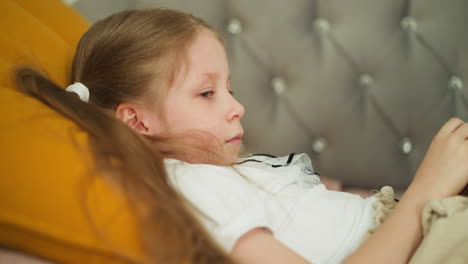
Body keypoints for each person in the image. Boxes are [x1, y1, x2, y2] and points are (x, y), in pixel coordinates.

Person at [13, 8, 468, 264]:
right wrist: (427, 188)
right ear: (137, 121)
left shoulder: (218, 169)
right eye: (208, 92)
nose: (237, 107)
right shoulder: (192, 185)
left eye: (229, 88)